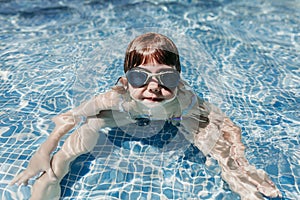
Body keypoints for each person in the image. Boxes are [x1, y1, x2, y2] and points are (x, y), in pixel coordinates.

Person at [10, 32, 281, 200]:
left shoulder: (184, 99)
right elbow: (68, 118)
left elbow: (227, 124)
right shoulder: (116, 97)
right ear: (126, 81)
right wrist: (45, 149)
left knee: (216, 144)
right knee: (84, 132)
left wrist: (240, 162)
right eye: (140, 76)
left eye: (167, 77)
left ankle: (246, 188)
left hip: (173, 116)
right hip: (123, 116)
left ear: (179, 79)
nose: (153, 86)